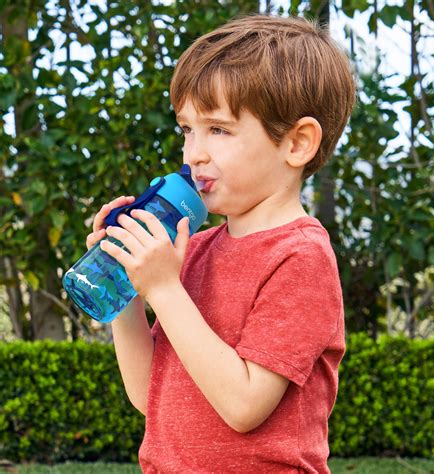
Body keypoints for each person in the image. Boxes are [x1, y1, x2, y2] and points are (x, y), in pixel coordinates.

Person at [86, 14, 355, 473]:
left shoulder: (300, 257)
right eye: (187, 130)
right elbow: (149, 397)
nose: (194, 153)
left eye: (219, 129)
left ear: (297, 143)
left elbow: (244, 405)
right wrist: (125, 291)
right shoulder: (194, 248)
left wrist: (166, 290)